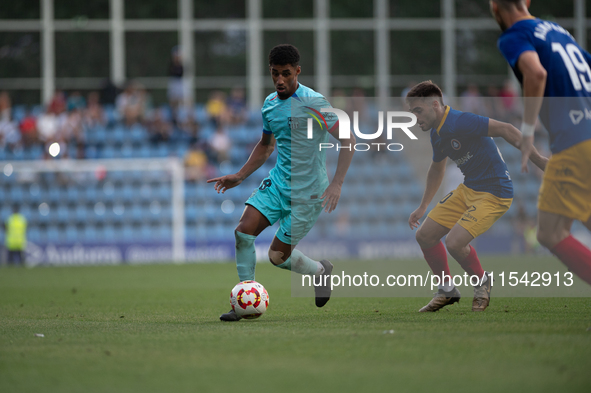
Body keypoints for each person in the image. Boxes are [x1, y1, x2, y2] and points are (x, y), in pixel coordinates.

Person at [208, 44, 355, 321]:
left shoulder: (315, 102)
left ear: (298, 71)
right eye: (275, 74)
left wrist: (337, 184)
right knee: (243, 232)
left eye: (286, 74)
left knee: (276, 257)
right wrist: (239, 175)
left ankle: (320, 272)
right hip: (277, 185)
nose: (279, 80)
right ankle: (243, 300)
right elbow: (265, 147)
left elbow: (348, 140)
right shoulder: (270, 106)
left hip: (309, 194)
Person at [406, 81, 547, 312]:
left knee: (454, 242)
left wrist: (540, 161)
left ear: (435, 105)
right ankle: (447, 289)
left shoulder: (460, 120)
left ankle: (482, 283)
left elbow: (507, 130)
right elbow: (437, 168)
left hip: (495, 192)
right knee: (425, 235)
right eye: (412, 113)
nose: (415, 117)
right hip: (468, 189)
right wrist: (423, 206)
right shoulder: (437, 134)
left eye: (418, 111)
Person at [492, 0, 591, 285]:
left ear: (496, 7)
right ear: (527, 2)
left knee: (549, 232)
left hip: (574, 142)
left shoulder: (514, 36)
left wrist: (526, 130)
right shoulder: (559, 32)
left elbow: (536, 74)